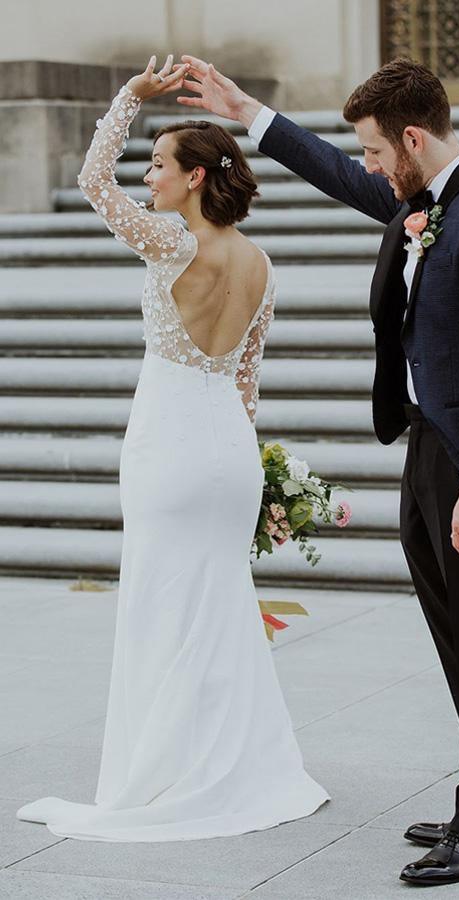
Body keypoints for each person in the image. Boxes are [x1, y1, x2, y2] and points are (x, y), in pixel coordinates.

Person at [176, 54, 459, 885]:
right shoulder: (422, 198)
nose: (375, 169)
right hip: (426, 444)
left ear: (413, 139)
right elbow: (341, 175)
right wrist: (250, 111)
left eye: (381, 152)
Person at [16, 54, 329, 842]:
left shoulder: (170, 243)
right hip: (226, 451)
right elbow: (248, 385)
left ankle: (160, 769)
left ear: (195, 179)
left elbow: (94, 183)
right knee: (218, 602)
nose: (147, 177)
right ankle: (238, 763)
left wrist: (127, 97)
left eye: (158, 166)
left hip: (167, 445)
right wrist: (263, 480)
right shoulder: (261, 265)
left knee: (160, 604)